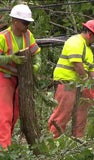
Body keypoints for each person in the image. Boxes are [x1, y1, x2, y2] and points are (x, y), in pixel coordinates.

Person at [48, 20, 94, 138]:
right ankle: (53, 140)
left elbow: (91, 68)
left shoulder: (87, 49)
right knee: (62, 114)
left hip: (80, 86)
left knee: (81, 114)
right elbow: (77, 64)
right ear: (90, 35)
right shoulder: (75, 42)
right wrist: (86, 80)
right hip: (67, 83)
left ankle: (78, 140)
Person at [0, 4, 41, 149]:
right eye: (25, 22)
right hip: (4, 77)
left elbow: (37, 54)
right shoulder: (3, 37)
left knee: (15, 114)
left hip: (21, 79)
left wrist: (35, 66)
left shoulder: (28, 35)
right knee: (4, 114)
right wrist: (11, 58)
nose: (27, 25)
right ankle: (4, 149)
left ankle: (6, 145)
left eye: (28, 23)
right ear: (15, 21)